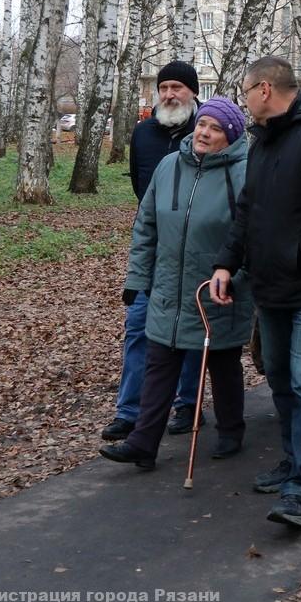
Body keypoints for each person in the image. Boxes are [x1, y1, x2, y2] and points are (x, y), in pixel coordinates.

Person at [210, 57, 301, 530]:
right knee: (279, 378)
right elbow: (248, 209)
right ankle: (293, 460)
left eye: (246, 91)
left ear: (266, 89)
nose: (244, 99)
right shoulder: (264, 140)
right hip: (270, 286)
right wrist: (225, 264)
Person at [99, 97, 253, 469]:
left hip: (215, 287)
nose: (204, 132)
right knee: (159, 362)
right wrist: (137, 278)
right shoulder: (170, 166)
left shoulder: (246, 173)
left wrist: (237, 278)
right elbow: (146, 226)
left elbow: (255, 236)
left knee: (222, 361)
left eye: (216, 129)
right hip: (168, 283)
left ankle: (232, 430)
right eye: (202, 124)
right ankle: (143, 442)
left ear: (230, 137)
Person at [102, 61, 206, 443]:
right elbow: (142, 193)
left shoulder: (207, 131)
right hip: (153, 249)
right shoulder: (143, 134)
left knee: (192, 331)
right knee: (139, 327)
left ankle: (188, 404)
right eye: (164, 87)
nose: (169, 94)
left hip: (197, 252)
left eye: (177, 87)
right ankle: (129, 412)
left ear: (193, 91)